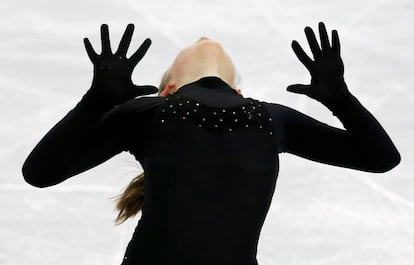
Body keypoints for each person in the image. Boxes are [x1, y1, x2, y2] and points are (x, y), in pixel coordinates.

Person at [21, 22, 401, 265]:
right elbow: (39, 173)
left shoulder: (273, 118)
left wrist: (340, 97)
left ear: (238, 89)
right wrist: (96, 101)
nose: (204, 38)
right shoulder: (148, 113)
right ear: (169, 88)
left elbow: (381, 158)